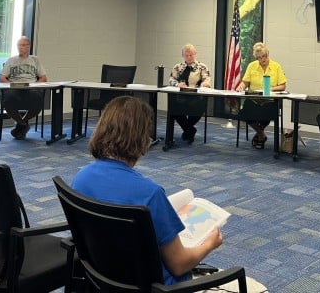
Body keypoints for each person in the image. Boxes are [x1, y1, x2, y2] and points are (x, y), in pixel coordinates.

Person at [71, 96, 266, 292]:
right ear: (141, 137)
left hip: (103, 280)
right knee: (257, 288)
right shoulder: (149, 194)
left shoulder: (81, 178)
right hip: (160, 288)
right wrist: (210, 244)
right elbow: (179, 264)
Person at [236, 43, 287, 150]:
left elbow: (283, 86)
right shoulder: (252, 66)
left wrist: (270, 89)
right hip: (254, 98)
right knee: (244, 112)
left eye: (264, 56)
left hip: (270, 99)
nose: (262, 59)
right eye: (259, 58)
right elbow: (245, 82)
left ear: (268, 54)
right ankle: (261, 134)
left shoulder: (276, 66)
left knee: (267, 113)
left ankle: (259, 135)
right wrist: (241, 86)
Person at [0, 36, 47, 140]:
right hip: (15, 88)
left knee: (39, 100)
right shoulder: (11, 60)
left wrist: (35, 85)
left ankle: (21, 124)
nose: (21, 47)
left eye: (24, 45)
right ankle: (23, 124)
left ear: (28, 46)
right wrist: (10, 85)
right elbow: (2, 77)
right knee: (8, 100)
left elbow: (43, 77)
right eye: (19, 45)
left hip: (31, 88)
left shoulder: (35, 60)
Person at [168, 44, 211, 144]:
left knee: (198, 109)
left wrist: (204, 84)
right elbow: (171, 79)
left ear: (195, 54)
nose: (189, 57)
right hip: (181, 97)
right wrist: (177, 84)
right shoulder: (178, 67)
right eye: (186, 55)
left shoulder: (202, 67)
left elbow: (207, 80)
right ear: (183, 55)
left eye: (191, 55)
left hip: (196, 98)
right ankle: (190, 130)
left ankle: (188, 130)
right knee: (174, 110)